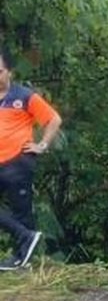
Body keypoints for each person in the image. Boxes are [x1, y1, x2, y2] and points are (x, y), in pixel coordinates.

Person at [0, 49, 61, 271]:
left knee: (21, 211)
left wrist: (42, 145)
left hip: (18, 161)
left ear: (9, 72)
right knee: (19, 218)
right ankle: (25, 236)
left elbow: (53, 119)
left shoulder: (24, 96)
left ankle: (22, 260)